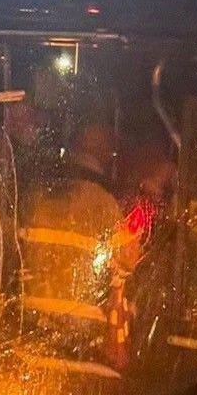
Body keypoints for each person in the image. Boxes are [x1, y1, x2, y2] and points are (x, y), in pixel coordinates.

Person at [19, 119, 141, 372]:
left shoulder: (33, 200)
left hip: (30, 353)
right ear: (100, 147)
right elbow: (127, 266)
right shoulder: (104, 206)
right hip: (86, 359)